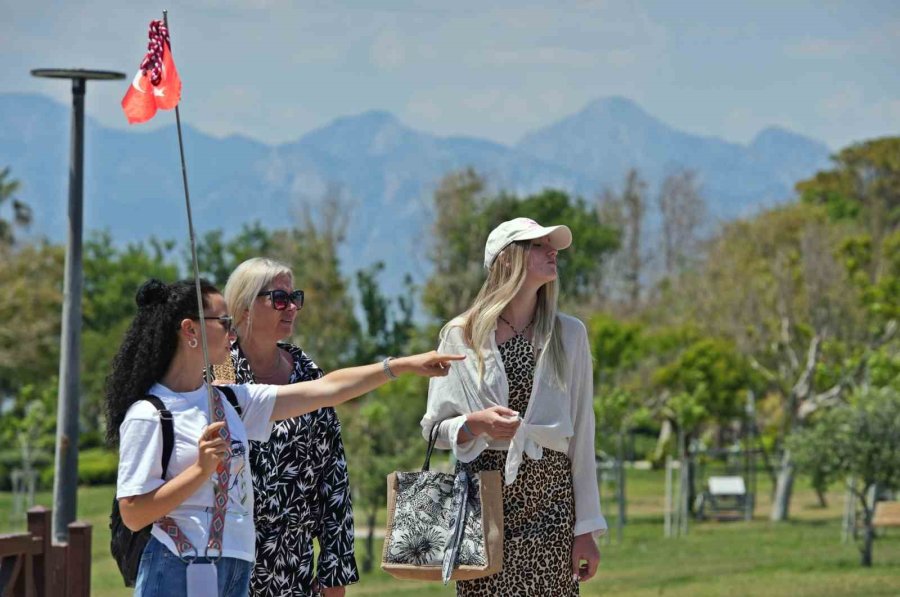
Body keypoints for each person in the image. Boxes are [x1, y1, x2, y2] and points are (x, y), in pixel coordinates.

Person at [108, 278, 461, 597]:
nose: (232, 334)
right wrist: (200, 471)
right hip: (177, 566)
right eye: (224, 323)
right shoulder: (149, 414)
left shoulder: (231, 400)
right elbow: (134, 513)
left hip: (234, 566)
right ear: (190, 331)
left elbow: (327, 388)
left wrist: (400, 366)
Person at [421, 217, 606, 596]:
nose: (552, 251)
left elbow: (583, 434)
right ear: (506, 259)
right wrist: (475, 424)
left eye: (551, 245)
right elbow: (435, 430)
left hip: (552, 504)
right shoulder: (461, 334)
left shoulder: (569, 335)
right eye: (538, 245)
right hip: (483, 503)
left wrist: (585, 526)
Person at [222, 258, 356, 597]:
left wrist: (334, 575)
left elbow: (334, 480)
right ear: (244, 307)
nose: (292, 307)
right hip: (228, 561)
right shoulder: (217, 377)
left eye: (295, 297)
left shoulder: (310, 374)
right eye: (279, 299)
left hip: (295, 568)